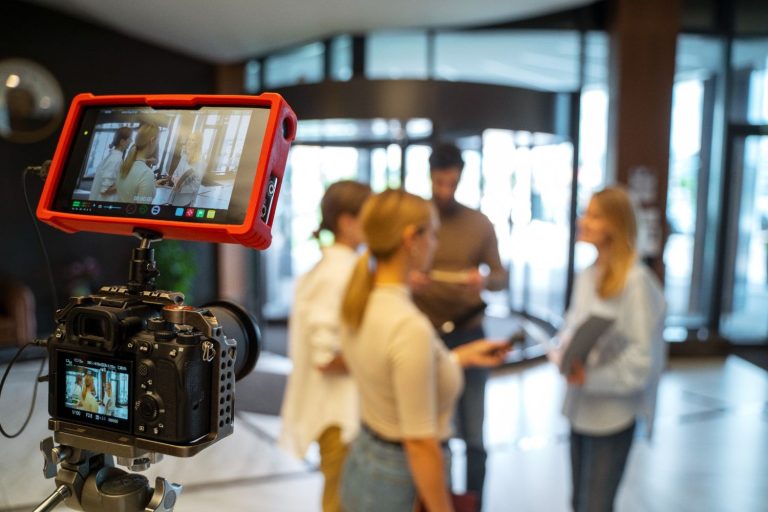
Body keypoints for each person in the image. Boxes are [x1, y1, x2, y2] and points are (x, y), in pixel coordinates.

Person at [339, 189, 510, 512]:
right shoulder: (408, 326)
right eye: (432, 234)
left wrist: (462, 356)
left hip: (364, 465)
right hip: (398, 484)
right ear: (410, 239)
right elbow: (420, 444)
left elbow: (394, 373)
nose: (435, 243)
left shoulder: (360, 301)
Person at [553, 186, 666, 512]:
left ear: (616, 224)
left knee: (595, 505)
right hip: (579, 411)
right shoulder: (589, 274)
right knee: (579, 503)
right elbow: (573, 328)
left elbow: (641, 362)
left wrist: (590, 377)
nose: (584, 221)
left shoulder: (635, 281)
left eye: (594, 215)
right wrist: (566, 352)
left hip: (612, 417)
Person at [410, 142, 507, 503]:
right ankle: (440, 501)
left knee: (474, 431)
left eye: (452, 183)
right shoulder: (416, 221)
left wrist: (483, 279)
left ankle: (475, 501)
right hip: (427, 335)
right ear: (430, 177)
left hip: (469, 332)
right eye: (439, 183)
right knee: (435, 429)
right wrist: (410, 280)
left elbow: (501, 276)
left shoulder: (479, 223)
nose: (445, 191)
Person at [279, 179, 372, 512]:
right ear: (348, 222)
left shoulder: (338, 267)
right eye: (370, 215)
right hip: (338, 414)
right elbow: (326, 355)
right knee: (341, 502)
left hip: (337, 411)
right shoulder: (340, 271)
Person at [117, 121, 159, 204]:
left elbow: (131, 193)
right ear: (152, 140)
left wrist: (151, 184)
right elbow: (142, 209)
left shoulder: (125, 166)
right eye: (158, 141)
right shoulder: (146, 173)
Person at [89, 127, 133, 201]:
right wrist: (127, 183)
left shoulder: (114, 156)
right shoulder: (116, 159)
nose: (131, 141)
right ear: (122, 141)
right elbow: (105, 190)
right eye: (130, 138)